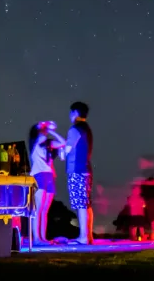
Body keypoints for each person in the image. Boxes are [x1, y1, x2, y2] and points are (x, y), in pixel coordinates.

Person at [28, 121, 66, 246]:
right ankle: (37, 239)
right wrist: (45, 128)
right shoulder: (34, 143)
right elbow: (41, 136)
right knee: (38, 209)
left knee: (45, 210)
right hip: (39, 174)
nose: (43, 128)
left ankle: (43, 238)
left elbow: (63, 143)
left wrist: (51, 131)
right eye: (40, 128)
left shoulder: (48, 143)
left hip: (50, 175)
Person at [64, 101, 94, 245]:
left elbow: (67, 150)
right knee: (86, 203)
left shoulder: (74, 129)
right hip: (86, 169)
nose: (69, 116)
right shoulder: (87, 129)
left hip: (76, 169)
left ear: (75, 112)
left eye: (70, 112)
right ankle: (88, 236)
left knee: (81, 204)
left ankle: (83, 236)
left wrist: (62, 152)